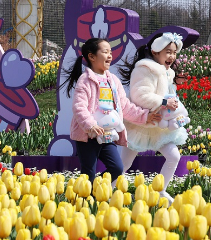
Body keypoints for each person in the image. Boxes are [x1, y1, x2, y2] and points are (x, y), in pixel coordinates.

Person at [61, 38, 160, 185]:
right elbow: (79, 107)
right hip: (88, 135)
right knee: (88, 171)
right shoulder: (85, 80)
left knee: (117, 168)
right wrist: (90, 125)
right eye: (105, 52)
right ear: (92, 56)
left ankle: (94, 189)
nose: (110, 55)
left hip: (108, 134)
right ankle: (86, 201)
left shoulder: (113, 80)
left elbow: (124, 106)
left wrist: (144, 116)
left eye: (110, 52)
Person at [119, 32, 189, 205]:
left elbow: (169, 96)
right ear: (155, 51)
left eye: (174, 52)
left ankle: (160, 191)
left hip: (160, 126)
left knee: (174, 156)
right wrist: (165, 101)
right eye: (168, 51)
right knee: (124, 164)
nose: (172, 56)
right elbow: (139, 96)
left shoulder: (167, 72)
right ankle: (107, 190)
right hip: (142, 123)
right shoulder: (145, 69)